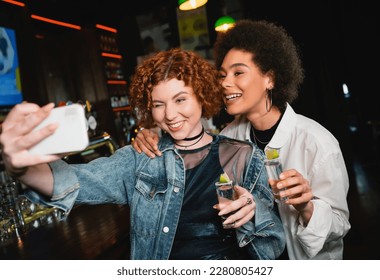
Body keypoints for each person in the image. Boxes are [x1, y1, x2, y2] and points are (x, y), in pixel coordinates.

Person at [0, 48, 285, 260]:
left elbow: (273, 245)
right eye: (158, 104)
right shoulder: (141, 158)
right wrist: (21, 168)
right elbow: (74, 181)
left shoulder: (245, 156)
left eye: (180, 99)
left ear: (202, 95)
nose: (170, 115)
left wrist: (255, 212)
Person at [132, 20, 351, 260]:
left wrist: (306, 207)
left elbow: (340, 226)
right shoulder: (228, 139)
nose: (225, 83)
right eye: (223, 75)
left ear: (270, 79)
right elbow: (187, 139)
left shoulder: (316, 141)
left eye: (238, 73)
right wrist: (152, 135)